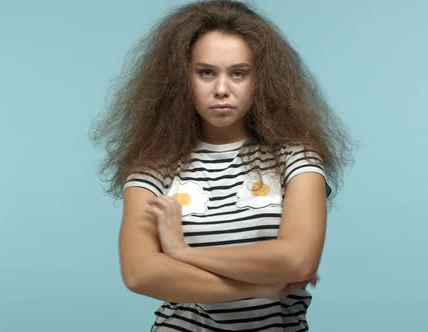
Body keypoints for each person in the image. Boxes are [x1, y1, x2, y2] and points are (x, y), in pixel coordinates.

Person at [91, 0, 355, 330]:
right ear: (181, 79)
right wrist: (261, 285)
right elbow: (140, 273)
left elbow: (297, 260)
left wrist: (183, 253)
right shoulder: (152, 170)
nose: (221, 89)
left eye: (238, 73)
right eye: (206, 72)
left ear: (261, 79)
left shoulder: (296, 158)